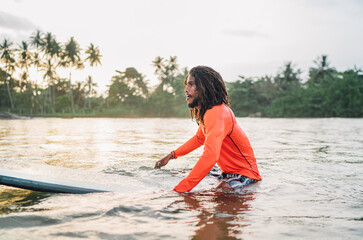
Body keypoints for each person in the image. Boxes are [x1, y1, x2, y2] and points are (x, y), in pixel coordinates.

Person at [154, 66, 262, 192]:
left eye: (191, 85)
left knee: (220, 191)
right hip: (225, 172)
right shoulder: (209, 112)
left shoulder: (217, 113)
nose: (186, 89)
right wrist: (172, 155)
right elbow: (199, 138)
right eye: (186, 85)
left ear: (204, 87)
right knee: (179, 172)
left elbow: (210, 156)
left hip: (246, 174)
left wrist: (178, 191)